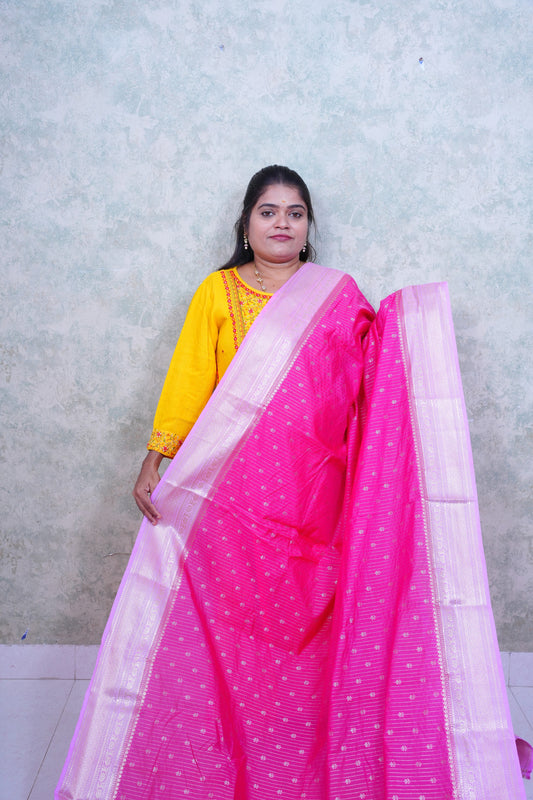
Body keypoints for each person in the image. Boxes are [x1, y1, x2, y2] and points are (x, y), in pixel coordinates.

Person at [56, 166, 524, 799]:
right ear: (245, 225)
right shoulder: (218, 293)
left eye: (295, 213)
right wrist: (157, 456)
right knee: (229, 626)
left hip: (313, 499)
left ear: (308, 229)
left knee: (310, 621)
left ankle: (300, 738)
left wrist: (417, 328)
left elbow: (372, 375)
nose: (282, 223)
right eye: (268, 211)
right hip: (228, 496)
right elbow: (191, 380)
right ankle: (226, 748)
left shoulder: (336, 294)